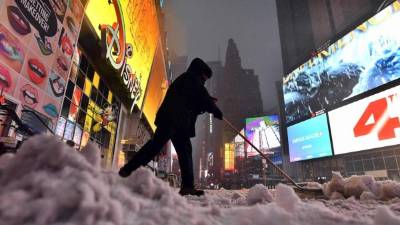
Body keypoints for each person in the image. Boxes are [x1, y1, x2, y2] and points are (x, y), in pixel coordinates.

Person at [119, 58, 223, 196]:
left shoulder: (191, 81)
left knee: (184, 151)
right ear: (199, 72)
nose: (204, 81)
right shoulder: (190, 78)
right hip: (171, 119)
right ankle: (127, 171)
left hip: (179, 123)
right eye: (204, 77)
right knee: (155, 146)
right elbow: (200, 95)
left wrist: (208, 104)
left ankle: (187, 186)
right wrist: (213, 107)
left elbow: (194, 102)